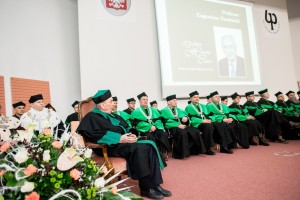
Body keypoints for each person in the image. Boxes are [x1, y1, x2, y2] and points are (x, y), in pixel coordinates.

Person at [77, 90, 172, 199]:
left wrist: (132, 135)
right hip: (108, 146)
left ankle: (155, 184)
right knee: (139, 148)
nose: (113, 103)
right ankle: (146, 188)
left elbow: (127, 128)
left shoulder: (113, 116)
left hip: (123, 143)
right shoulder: (92, 117)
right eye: (111, 101)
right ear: (103, 105)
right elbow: (93, 135)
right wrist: (119, 138)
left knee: (149, 145)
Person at [161, 94, 206, 159]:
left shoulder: (178, 109)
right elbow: (166, 122)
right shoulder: (164, 110)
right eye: (174, 100)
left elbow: (186, 116)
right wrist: (178, 125)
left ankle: (193, 151)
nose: (176, 102)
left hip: (182, 126)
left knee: (194, 131)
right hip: (172, 128)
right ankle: (180, 154)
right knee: (182, 132)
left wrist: (185, 118)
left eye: (176, 100)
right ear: (168, 102)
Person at [131, 92, 171, 160]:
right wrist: (149, 127)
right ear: (139, 101)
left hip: (155, 128)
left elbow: (158, 120)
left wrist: (155, 126)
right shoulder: (135, 112)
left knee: (162, 134)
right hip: (144, 130)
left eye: (146, 99)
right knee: (150, 136)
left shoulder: (154, 110)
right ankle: (155, 155)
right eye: (143, 99)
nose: (145, 101)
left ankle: (162, 152)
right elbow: (137, 123)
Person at [184, 91, 217, 155]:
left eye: (198, 97)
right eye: (195, 97)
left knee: (213, 125)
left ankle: (208, 146)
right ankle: (207, 148)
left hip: (205, 122)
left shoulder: (203, 106)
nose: (197, 98)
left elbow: (210, 114)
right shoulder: (188, 107)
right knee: (208, 126)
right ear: (190, 99)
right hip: (196, 124)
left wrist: (209, 119)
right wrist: (201, 121)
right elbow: (190, 119)